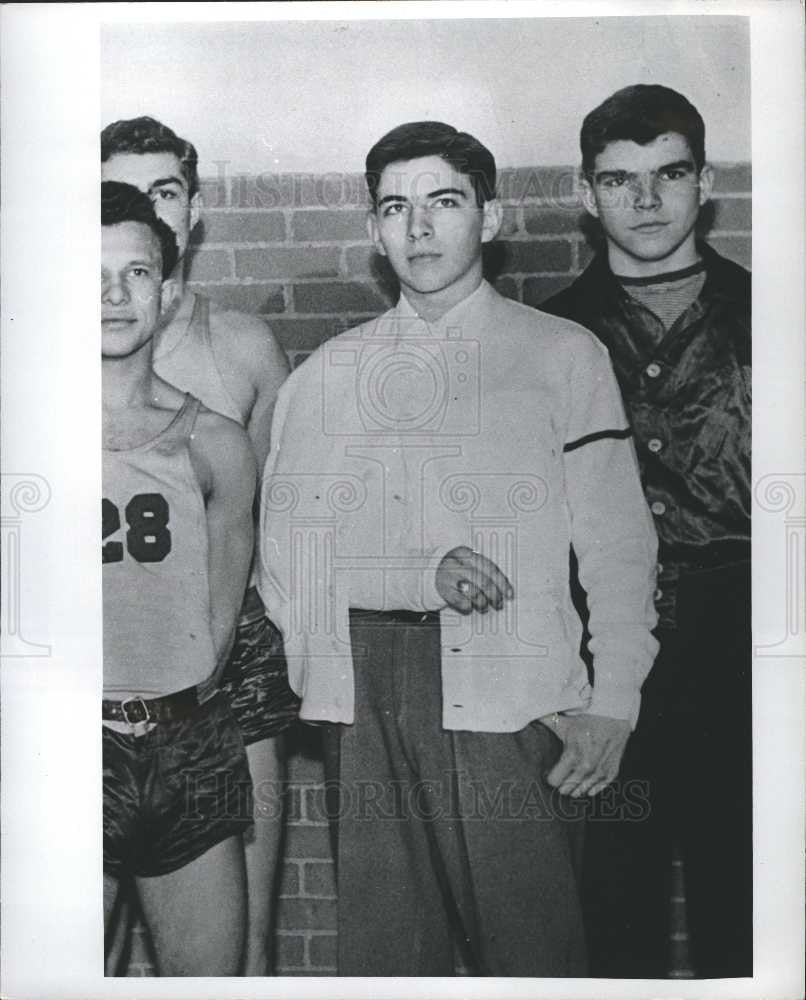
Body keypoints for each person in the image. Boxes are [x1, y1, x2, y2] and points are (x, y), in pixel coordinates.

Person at [258, 121, 659, 976]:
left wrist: (613, 698)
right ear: (374, 231)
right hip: (365, 696)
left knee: (535, 951)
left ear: (491, 216)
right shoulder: (326, 374)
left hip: (510, 697)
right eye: (396, 208)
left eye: (445, 202)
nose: (421, 228)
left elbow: (619, 545)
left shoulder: (560, 354)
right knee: (391, 958)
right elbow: (287, 561)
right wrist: (410, 574)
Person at [541, 84, 752, 978]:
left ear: (704, 181)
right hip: (597, 654)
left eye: (668, 173)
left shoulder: (770, 315)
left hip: (744, 651)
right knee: (606, 917)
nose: (647, 199)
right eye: (620, 179)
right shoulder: (548, 334)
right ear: (587, 194)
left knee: (745, 907)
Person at [101, 116, 299, 975]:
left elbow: (217, 630)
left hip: (186, 737)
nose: (114, 294)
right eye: (93, 276)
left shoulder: (216, 436)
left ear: (168, 283)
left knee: (222, 968)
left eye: (137, 273)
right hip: (64, 738)